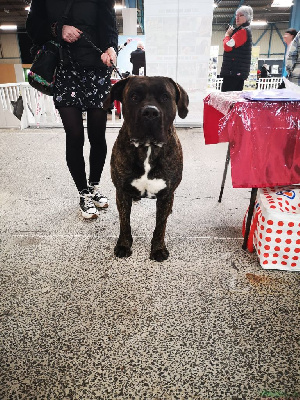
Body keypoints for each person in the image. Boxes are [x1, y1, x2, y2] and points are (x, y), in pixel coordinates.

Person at [26, 0, 118, 219]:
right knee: (75, 135)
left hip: (97, 69)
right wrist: (58, 29)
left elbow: (108, 23)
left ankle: (94, 187)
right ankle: (83, 193)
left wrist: (110, 47)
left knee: (97, 135)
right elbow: (33, 27)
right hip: (65, 69)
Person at [220, 5, 253, 92]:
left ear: (247, 17)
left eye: (240, 15)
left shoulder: (243, 31)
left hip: (233, 72)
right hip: (236, 72)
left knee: (227, 98)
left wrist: (227, 35)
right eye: (236, 15)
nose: (237, 18)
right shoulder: (242, 30)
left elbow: (228, 46)